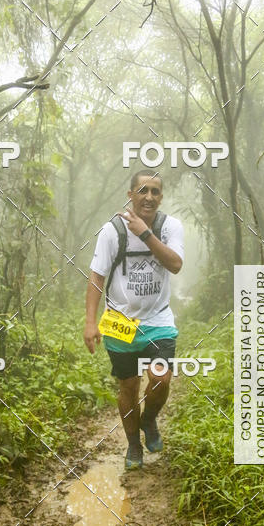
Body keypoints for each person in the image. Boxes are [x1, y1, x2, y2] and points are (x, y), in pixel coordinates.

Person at [84, 169, 184, 469]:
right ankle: (133, 445)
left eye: (155, 191)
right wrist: (90, 322)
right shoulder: (111, 231)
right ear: (131, 195)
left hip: (158, 320)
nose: (149, 197)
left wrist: (145, 234)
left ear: (161, 197)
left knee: (160, 378)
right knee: (128, 387)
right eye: (142, 190)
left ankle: (149, 420)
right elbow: (97, 277)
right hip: (120, 322)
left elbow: (175, 264)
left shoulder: (170, 227)